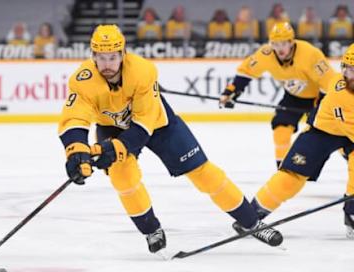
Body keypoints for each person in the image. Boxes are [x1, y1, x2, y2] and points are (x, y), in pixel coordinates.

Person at [58, 24, 283, 255]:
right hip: (112, 128)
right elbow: (74, 118)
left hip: (157, 124)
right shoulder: (82, 80)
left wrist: (116, 148)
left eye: (112, 57)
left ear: (123, 53)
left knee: (203, 173)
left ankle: (252, 222)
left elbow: (143, 124)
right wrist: (76, 153)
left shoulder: (143, 71)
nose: (107, 64)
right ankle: (151, 230)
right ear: (92, 55)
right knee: (123, 179)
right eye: (101, 57)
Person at [242, 43, 354, 240]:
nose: (348, 74)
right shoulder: (341, 92)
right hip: (322, 131)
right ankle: (251, 215)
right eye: (347, 68)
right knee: (292, 175)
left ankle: (352, 214)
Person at [219, 22, 335, 167]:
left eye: (283, 44)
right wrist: (230, 91)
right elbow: (246, 72)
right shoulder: (265, 54)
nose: (279, 49)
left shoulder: (310, 54)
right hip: (293, 98)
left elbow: (329, 83)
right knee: (280, 130)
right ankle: (283, 170)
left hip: (320, 98)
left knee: (335, 134)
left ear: (291, 42)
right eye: (275, 44)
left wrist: (320, 108)